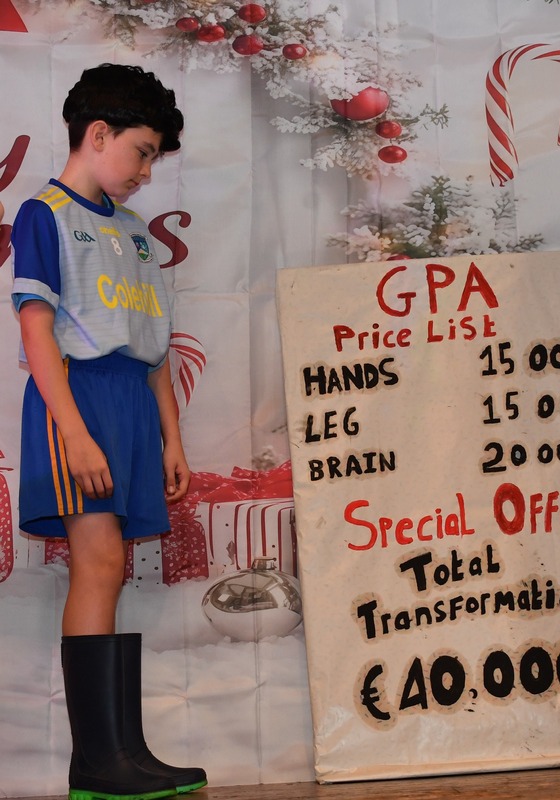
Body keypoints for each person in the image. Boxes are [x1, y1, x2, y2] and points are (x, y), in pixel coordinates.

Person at [11, 64, 206, 799]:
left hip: (131, 403)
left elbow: (155, 346)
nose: (146, 172)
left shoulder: (134, 233)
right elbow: (36, 331)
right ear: (98, 134)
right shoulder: (44, 214)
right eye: (142, 152)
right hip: (77, 397)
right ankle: (97, 762)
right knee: (96, 563)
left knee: (113, 567)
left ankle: (122, 749)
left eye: (154, 158)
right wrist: (75, 432)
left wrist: (172, 438)